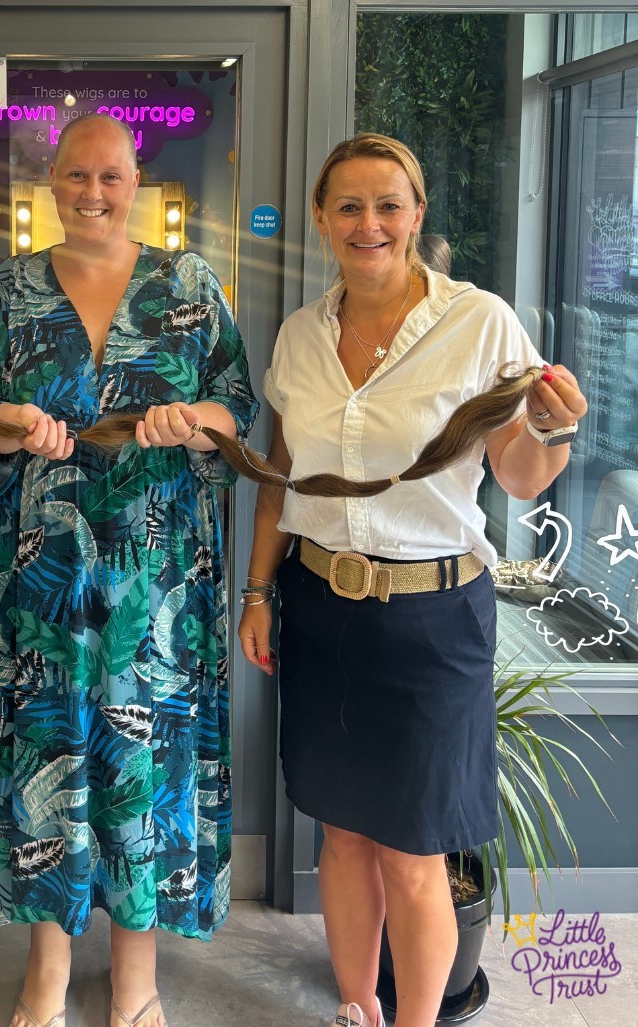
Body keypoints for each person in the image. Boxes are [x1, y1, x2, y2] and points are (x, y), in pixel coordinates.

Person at [237, 133, 587, 1027]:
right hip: (321, 610)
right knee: (343, 834)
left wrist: (550, 430)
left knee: (416, 848)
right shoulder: (301, 337)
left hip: (432, 617)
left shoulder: (480, 323)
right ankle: (358, 1009)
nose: (369, 223)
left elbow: (517, 473)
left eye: (388, 205)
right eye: (349, 206)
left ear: (417, 215)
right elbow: (281, 471)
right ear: (322, 219)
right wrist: (258, 591)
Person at [0, 113, 257, 1027]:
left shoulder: (190, 285)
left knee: (142, 764)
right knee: (45, 751)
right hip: (37, 579)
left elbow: (239, 410)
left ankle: (136, 973)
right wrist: (8, 421)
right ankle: (47, 965)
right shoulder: (12, 289)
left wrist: (194, 415)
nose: (93, 191)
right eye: (77, 175)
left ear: (138, 185)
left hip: (155, 584)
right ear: (53, 181)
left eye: (111, 176)